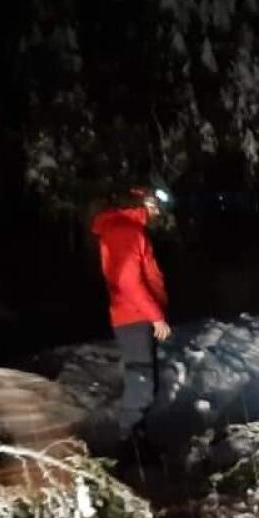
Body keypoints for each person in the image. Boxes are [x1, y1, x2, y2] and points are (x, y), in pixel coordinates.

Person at [91, 188, 172, 446]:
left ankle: (138, 436)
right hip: (133, 316)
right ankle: (129, 441)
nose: (157, 211)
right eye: (154, 205)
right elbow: (128, 281)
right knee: (142, 379)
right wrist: (156, 316)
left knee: (145, 378)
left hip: (136, 316)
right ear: (141, 205)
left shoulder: (127, 229)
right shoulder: (125, 231)